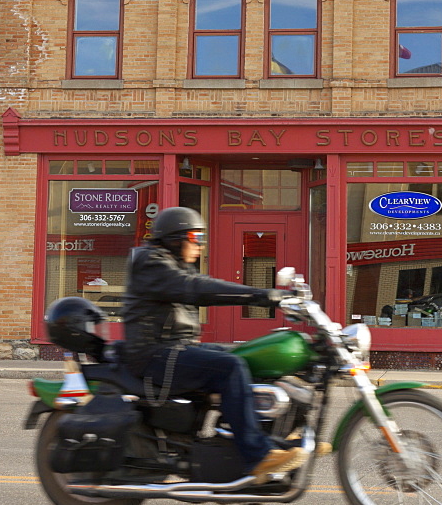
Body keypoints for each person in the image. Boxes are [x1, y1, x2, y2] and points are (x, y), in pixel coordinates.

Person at [121, 206, 307, 484]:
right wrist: (263, 296)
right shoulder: (151, 263)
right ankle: (257, 456)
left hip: (173, 348)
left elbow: (197, 283)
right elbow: (195, 288)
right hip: (154, 354)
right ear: (175, 238)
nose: (201, 245)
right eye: (196, 237)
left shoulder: (172, 264)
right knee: (230, 367)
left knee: (248, 360)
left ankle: (275, 439)